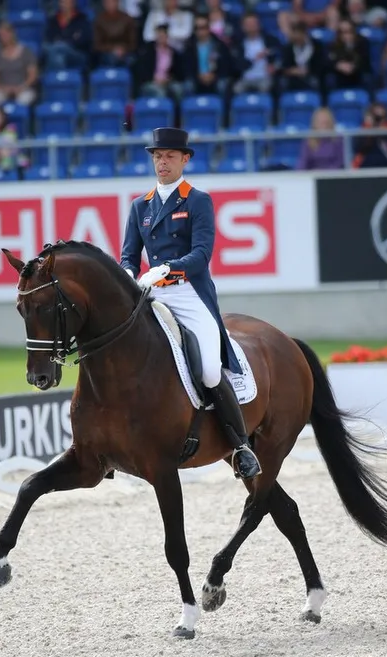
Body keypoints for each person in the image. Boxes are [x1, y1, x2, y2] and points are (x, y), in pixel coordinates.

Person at [120, 127, 262, 480]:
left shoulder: (197, 200)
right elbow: (128, 255)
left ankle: (241, 445)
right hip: (150, 292)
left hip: (188, 293)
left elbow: (201, 254)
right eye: (157, 156)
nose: (162, 162)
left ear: (185, 159)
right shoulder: (140, 206)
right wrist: (126, 275)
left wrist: (168, 267)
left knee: (210, 370)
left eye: (169, 156)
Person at [0, 23, 38, 107]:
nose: (3, 37)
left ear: (12, 33)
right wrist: (3, 88)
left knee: (24, 99)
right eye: (0, 35)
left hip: (23, 88)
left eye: (5, 34)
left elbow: (32, 75)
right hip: (3, 89)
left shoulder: (26, 52)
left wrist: (21, 87)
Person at [352, 102, 387, 168]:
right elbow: (358, 147)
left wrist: (384, 132)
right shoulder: (364, 130)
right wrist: (370, 129)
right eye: (375, 116)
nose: (378, 120)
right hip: (367, 168)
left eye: (380, 117)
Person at [43, 0, 92, 72]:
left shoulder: (82, 19)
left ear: (73, 3)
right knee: (57, 56)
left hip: (77, 53)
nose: (63, 4)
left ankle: (51, 79)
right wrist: (71, 38)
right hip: (57, 51)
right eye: (62, 2)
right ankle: (60, 80)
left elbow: (84, 40)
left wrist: (63, 42)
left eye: (66, 1)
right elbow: (49, 38)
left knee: (58, 48)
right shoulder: (53, 20)